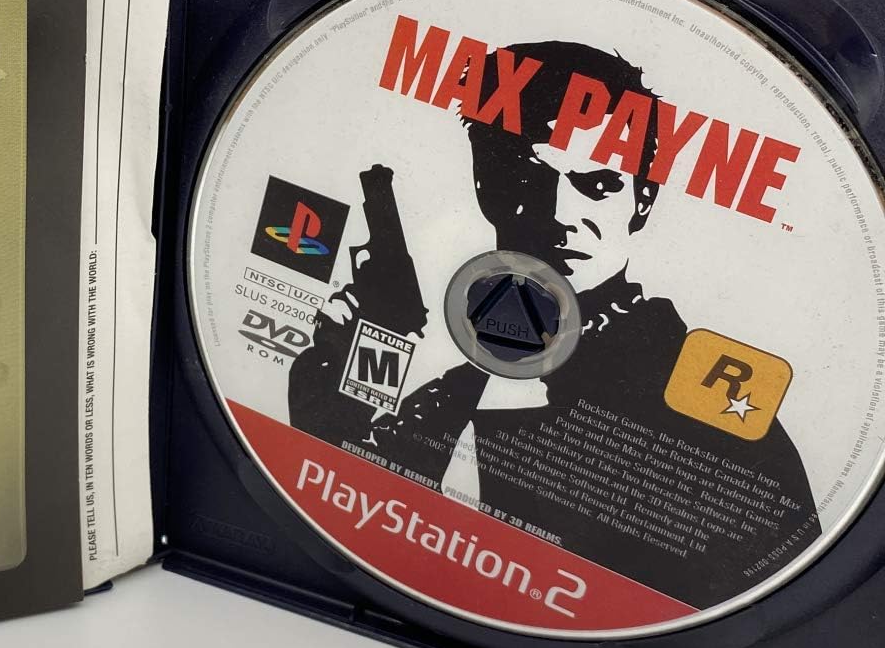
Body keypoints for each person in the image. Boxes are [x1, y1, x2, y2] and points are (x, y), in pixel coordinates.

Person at [288, 40, 819, 610]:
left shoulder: (704, 404)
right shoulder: (462, 385)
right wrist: (335, 385)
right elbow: (356, 514)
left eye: (599, 184)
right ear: (485, 185)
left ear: (643, 201)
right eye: (527, 179)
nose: (561, 215)